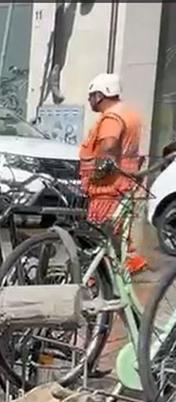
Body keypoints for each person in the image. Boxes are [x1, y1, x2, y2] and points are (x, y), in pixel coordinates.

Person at [78, 72, 148, 273]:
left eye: (91, 95)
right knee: (118, 235)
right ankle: (123, 271)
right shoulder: (129, 113)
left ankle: (99, 277)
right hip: (123, 183)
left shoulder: (111, 117)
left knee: (99, 236)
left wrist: (97, 174)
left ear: (100, 95)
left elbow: (108, 146)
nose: (89, 100)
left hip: (107, 187)